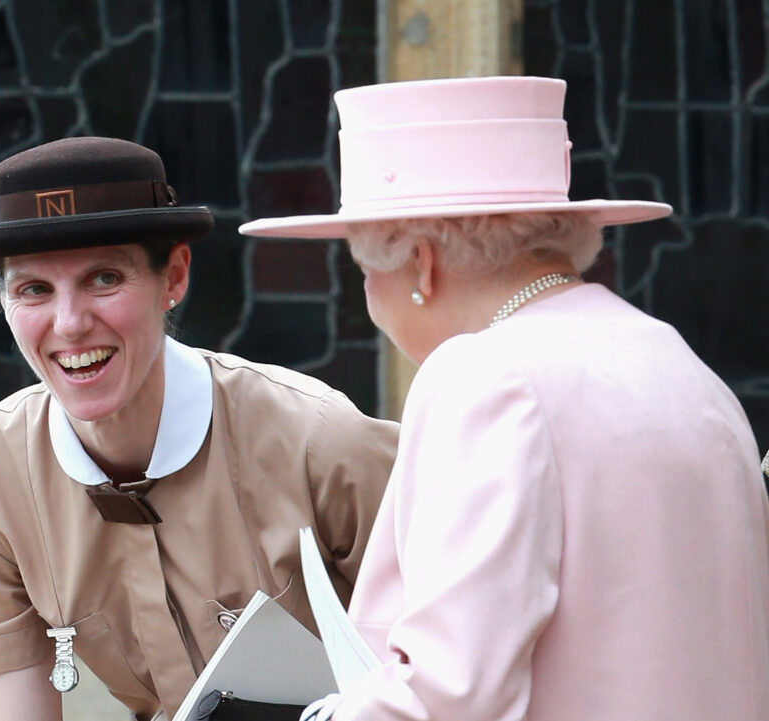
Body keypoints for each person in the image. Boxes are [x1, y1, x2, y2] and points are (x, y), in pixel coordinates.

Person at [240, 76, 769, 721]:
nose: (368, 298)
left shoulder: (484, 378)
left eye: (364, 271)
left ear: (421, 264)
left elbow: (449, 692)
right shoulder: (682, 366)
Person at [0, 136, 398, 721]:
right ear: (3, 303)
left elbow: (459, 666)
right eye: (34, 290)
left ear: (173, 276)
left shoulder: (322, 440)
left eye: (104, 278)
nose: (70, 324)